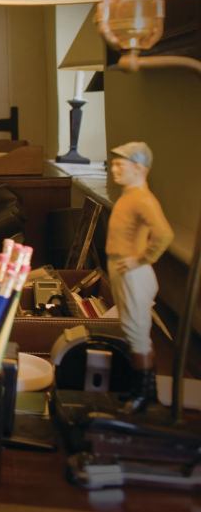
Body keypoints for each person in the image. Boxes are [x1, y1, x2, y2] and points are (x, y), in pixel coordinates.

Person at [105, 141, 174, 413]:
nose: (114, 169)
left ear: (138, 168)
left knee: (137, 335)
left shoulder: (142, 199)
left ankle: (143, 396)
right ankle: (143, 392)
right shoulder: (129, 196)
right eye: (113, 164)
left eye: (120, 164)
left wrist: (141, 259)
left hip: (132, 272)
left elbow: (164, 235)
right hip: (122, 270)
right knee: (133, 331)